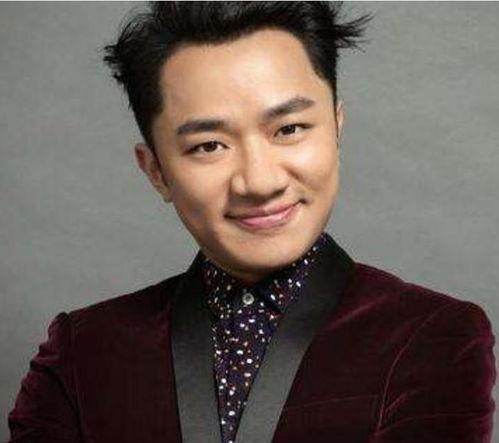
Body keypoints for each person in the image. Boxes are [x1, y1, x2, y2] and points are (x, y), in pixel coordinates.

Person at [7, 2, 496, 442]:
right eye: (209, 145)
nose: (259, 182)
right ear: (155, 170)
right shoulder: (82, 353)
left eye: (289, 129)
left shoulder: (434, 338)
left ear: (336, 127)